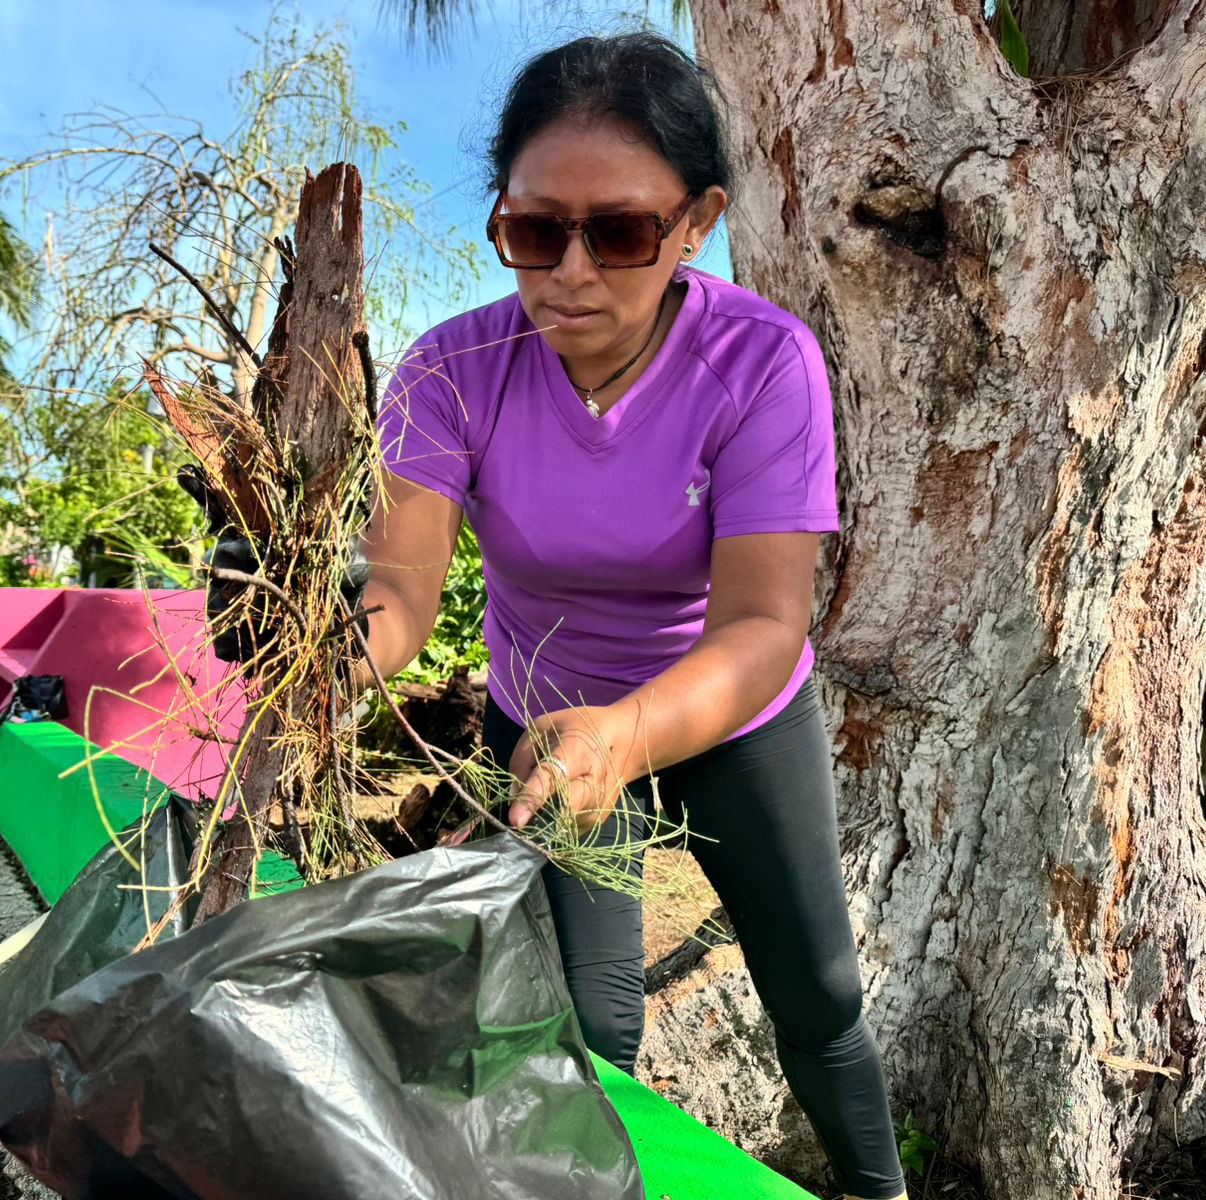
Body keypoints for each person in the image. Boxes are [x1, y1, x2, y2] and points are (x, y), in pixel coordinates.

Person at [360, 33, 909, 1200]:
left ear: (696, 220)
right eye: (531, 231)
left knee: (817, 993)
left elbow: (765, 625)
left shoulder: (763, 364)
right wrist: (343, 658)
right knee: (588, 1027)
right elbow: (402, 587)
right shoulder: (449, 372)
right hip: (550, 728)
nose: (569, 272)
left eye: (618, 233)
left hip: (728, 706)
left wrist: (633, 731)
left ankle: (876, 1186)